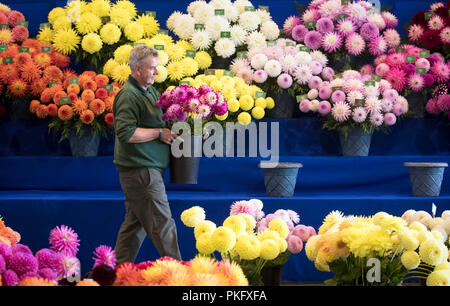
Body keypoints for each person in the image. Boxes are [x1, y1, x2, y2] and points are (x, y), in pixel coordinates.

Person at [112, 45, 182, 265]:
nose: (156, 72)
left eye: (157, 67)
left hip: (146, 168)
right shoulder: (128, 96)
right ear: (136, 69)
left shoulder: (149, 90)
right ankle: (180, 276)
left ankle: (115, 273)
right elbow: (126, 133)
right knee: (163, 223)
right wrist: (158, 133)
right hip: (140, 170)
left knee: (134, 226)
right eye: (152, 68)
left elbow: (160, 120)